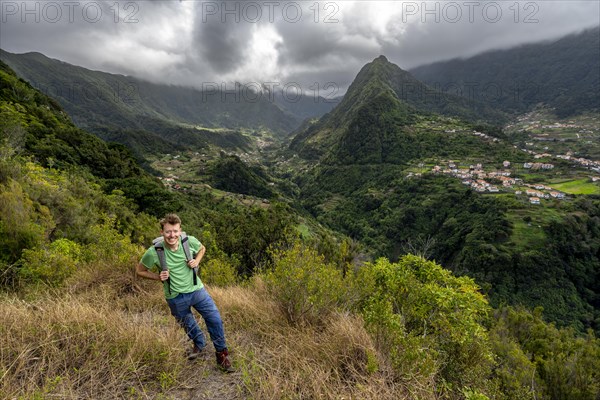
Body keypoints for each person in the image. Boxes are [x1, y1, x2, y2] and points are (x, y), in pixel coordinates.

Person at [136, 213, 234, 372]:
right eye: (168, 232)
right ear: (162, 232)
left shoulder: (188, 242)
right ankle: (199, 343)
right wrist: (157, 277)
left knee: (214, 318)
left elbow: (202, 248)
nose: (172, 235)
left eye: (175, 231)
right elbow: (140, 270)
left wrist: (197, 261)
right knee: (187, 323)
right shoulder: (154, 251)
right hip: (174, 296)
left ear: (180, 230)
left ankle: (221, 354)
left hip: (197, 291)